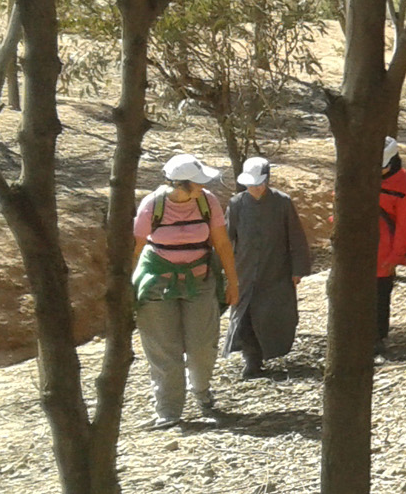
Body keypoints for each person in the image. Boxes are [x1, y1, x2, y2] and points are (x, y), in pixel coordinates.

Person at [133, 154, 240, 428]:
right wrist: (125, 290)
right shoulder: (152, 206)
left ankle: (202, 392)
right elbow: (134, 249)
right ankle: (168, 412)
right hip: (158, 284)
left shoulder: (207, 202)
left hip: (200, 281)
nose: (203, 188)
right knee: (163, 350)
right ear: (180, 185)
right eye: (197, 183)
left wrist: (233, 282)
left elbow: (222, 244)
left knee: (202, 346)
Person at [223, 156, 312, 379]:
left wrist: (297, 269)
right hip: (244, 273)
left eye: (258, 184)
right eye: (250, 185)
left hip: (275, 272)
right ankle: (251, 360)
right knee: (245, 317)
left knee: (273, 315)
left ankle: (265, 353)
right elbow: (226, 238)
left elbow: (296, 238)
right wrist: (225, 269)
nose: (254, 188)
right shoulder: (236, 204)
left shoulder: (282, 203)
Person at [376, 137, 406, 358]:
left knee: (380, 297)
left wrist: (396, 256)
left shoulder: (402, 186)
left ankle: (377, 339)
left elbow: (404, 225)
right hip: (355, 251)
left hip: (383, 254)